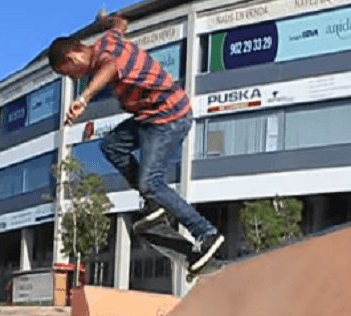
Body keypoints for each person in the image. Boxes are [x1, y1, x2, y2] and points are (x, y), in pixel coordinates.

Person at [47, 12, 225, 273]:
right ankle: (152, 201)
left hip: (169, 116)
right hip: (148, 118)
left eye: (71, 74)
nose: (76, 79)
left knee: (150, 181)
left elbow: (110, 68)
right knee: (111, 146)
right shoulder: (109, 37)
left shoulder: (105, 57)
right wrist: (105, 22)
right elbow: (120, 22)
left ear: (72, 58)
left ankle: (206, 233)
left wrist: (83, 98)